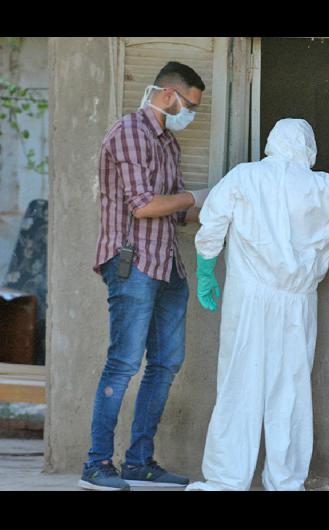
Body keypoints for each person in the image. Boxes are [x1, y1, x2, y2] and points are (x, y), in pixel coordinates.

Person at [186, 118, 329, 491]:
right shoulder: (323, 186)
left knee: (237, 385)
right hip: (297, 303)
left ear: (271, 143)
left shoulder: (244, 176)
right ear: (308, 149)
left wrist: (206, 269)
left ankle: (226, 480)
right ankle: (285, 481)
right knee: (290, 391)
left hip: (246, 299)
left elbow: (211, 222)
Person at [81, 62, 209, 491]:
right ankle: (97, 465)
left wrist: (222, 202)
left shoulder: (168, 143)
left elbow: (178, 214)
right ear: (169, 95)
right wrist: (196, 196)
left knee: (166, 363)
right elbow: (142, 205)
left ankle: (139, 462)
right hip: (133, 264)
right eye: (190, 104)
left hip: (167, 264)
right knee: (122, 364)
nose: (191, 113)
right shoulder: (130, 132)